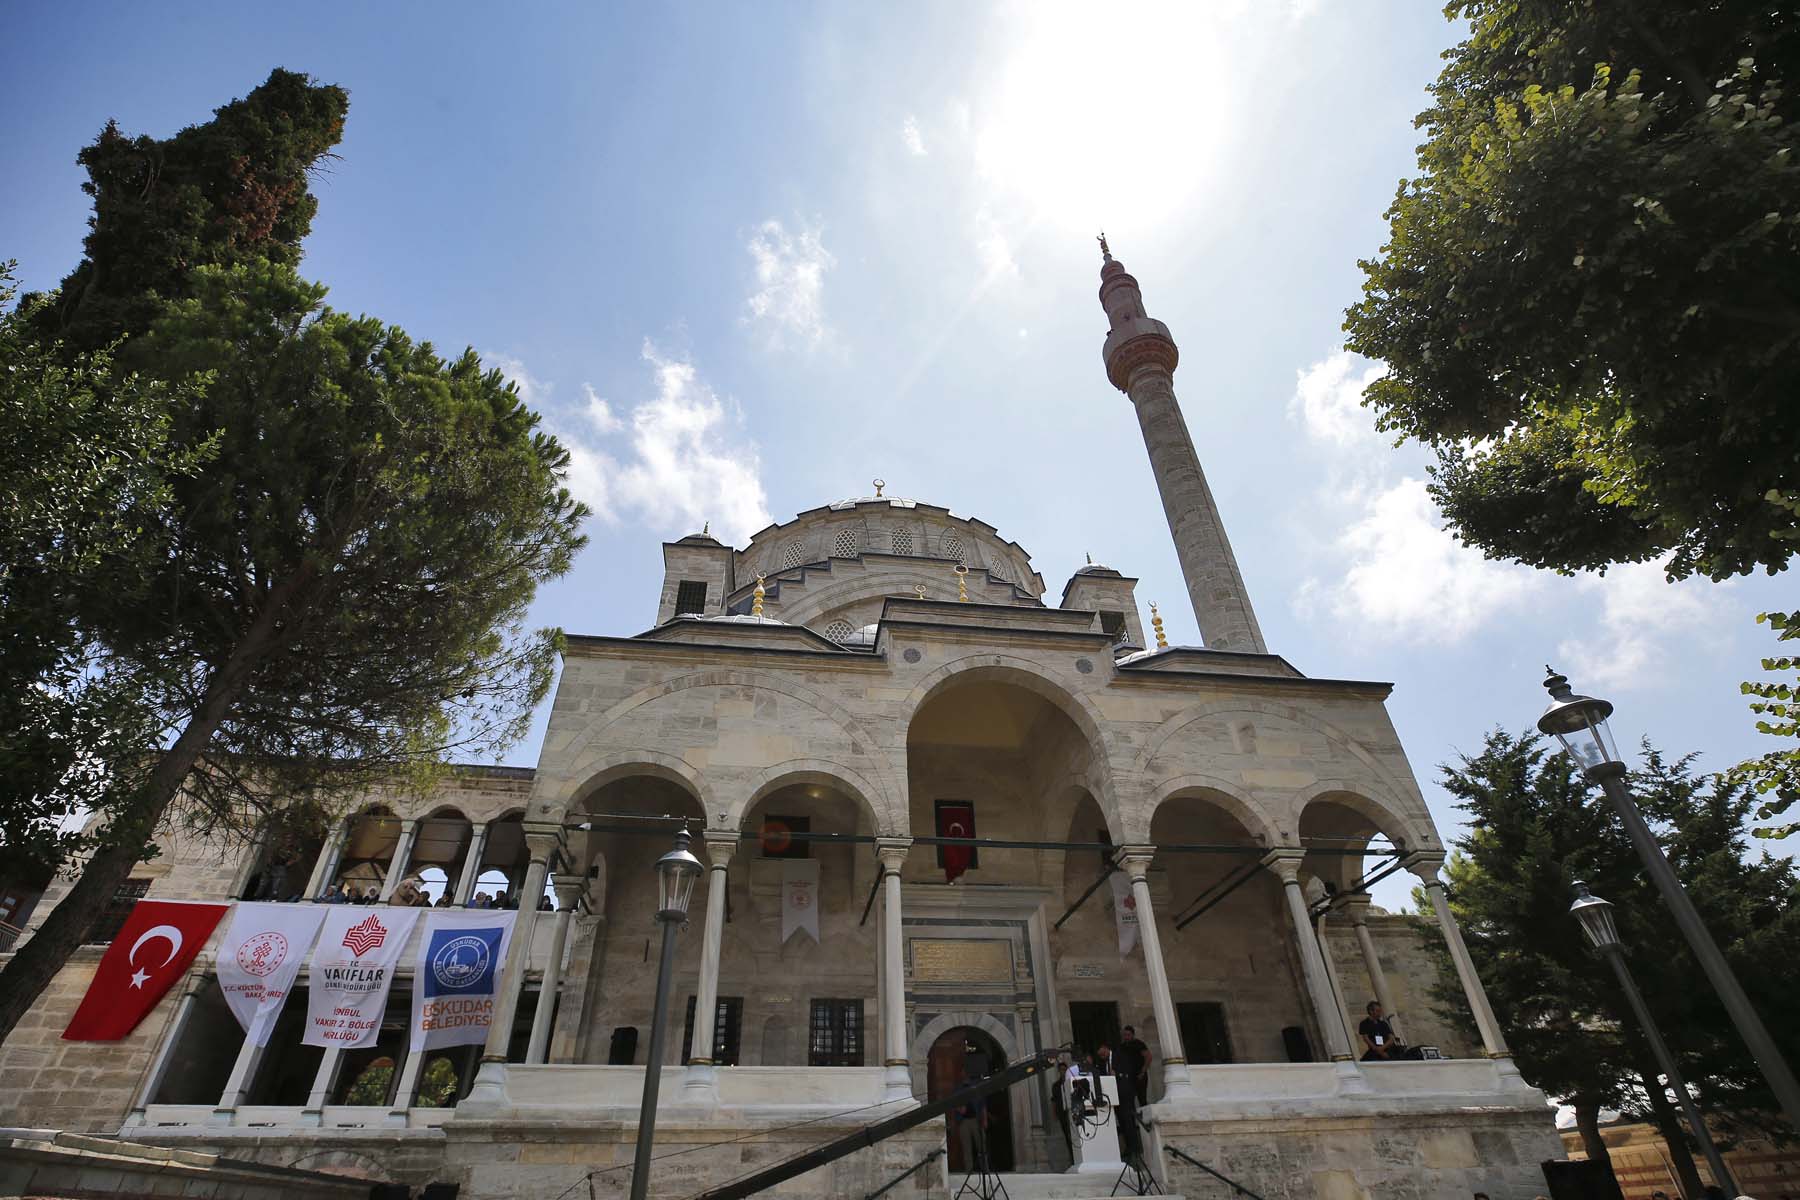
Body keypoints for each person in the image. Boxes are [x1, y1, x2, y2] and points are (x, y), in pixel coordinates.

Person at [1116, 1025, 1152, 1108]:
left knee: (1142, 1098)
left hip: (1139, 1075)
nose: (1126, 1037)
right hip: (1128, 1077)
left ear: (1133, 1035)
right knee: (1129, 1099)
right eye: (1124, 1035)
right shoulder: (1122, 1046)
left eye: (1128, 1035)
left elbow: (1148, 1057)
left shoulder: (1139, 1044)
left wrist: (1142, 1071)